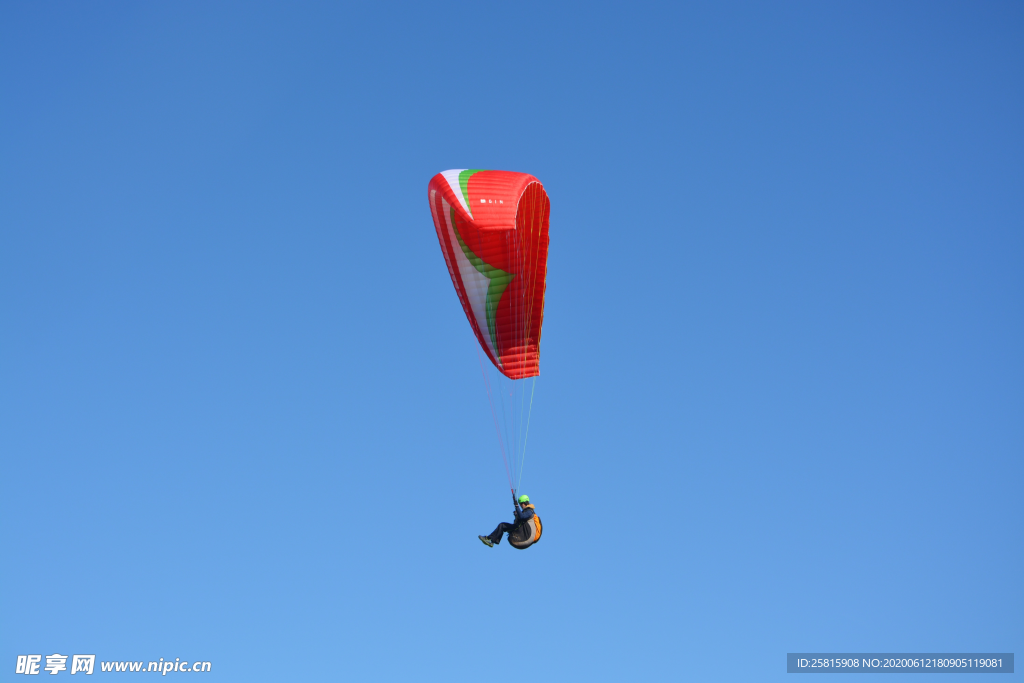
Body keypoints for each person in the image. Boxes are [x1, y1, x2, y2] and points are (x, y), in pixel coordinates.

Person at [479, 494, 543, 549]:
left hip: (527, 535)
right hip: (521, 531)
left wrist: (517, 507)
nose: (521, 506)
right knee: (502, 525)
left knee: (504, 525)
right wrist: (516, 515)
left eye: (521, 504)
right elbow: (520, 520)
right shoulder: (525, 512)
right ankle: (491, 541)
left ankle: (491, 540)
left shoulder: (530, 511)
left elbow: (522, 517)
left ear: (524, 503)